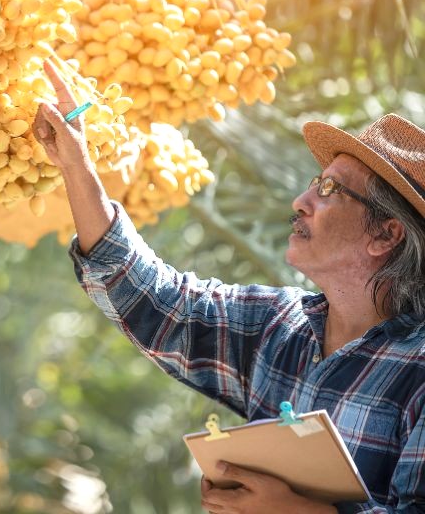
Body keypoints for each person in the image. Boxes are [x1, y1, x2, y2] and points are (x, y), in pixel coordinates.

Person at [33, 61, 425, 514]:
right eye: (315, 183)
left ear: (386, 235)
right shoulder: (281, 325)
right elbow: (158, 303)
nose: (302, 201)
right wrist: (76, 163)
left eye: (331, 189)